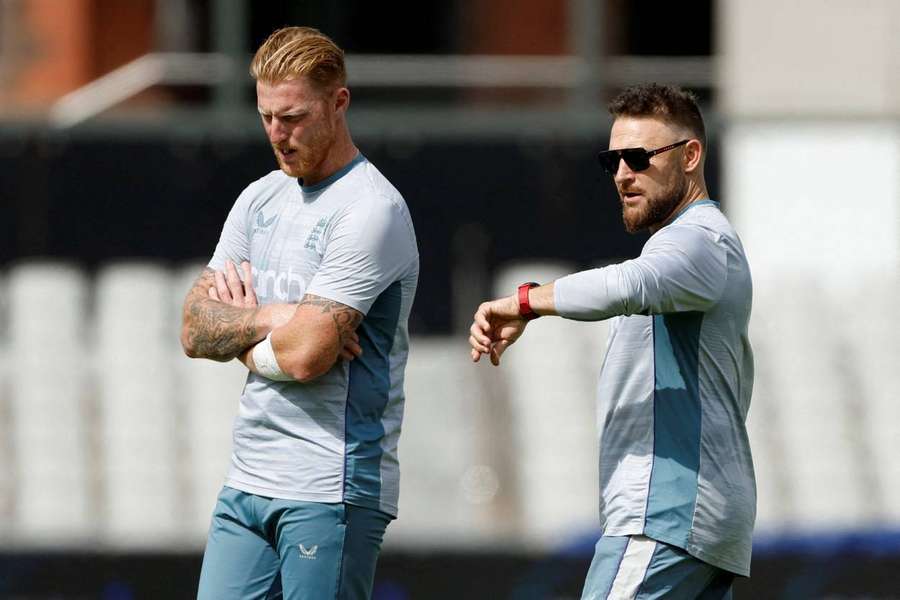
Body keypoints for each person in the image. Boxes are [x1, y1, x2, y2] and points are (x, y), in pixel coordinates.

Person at [469, 83, 754, 599]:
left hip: (667, 513)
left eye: (639, 158)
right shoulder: (687, 248)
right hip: (696, 519)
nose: (623, 175)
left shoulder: (699, 239)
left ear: (690, 156)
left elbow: (624, 285)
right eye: (614, 160)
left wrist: (527, 301)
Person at [180, 27, 419, 600]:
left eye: (292, 117)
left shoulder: (371, 211)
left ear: (339, 102)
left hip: (329, 483)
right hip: (246, 480)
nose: (277, 135)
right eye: (266, 117)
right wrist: (272, 318)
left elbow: (309, 355)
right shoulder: (258, 197)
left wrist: (242, 331)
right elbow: (192, 328)